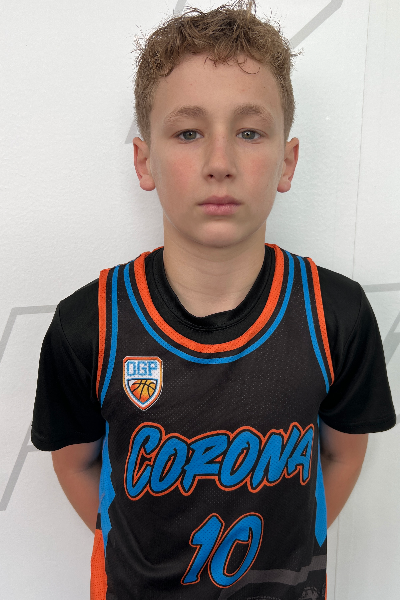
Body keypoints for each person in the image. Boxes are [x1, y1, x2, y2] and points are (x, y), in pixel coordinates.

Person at [31, 1, 396, 599]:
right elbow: (75, 464)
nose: (219, 163)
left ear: (287, 161)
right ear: (145, 161)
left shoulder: (336, 314)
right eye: (188, 132)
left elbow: (343, 456)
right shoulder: (88, 325)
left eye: (249, 132)